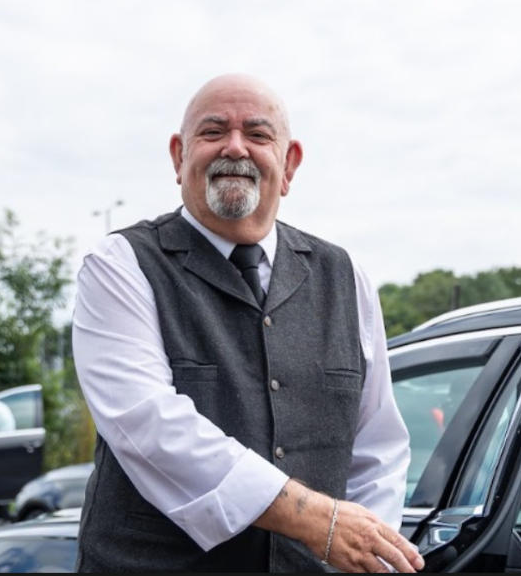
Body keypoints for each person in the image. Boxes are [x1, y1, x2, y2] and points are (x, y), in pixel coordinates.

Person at [71, 73, 424, 573]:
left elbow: (379, 447)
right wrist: (317, 521)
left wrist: (370, 555)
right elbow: (148, 426)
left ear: (289, 163)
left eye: (258, 135)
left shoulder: (348, 279)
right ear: (178, 155)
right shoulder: (121, 265)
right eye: (213, 132)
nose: (234, 148)